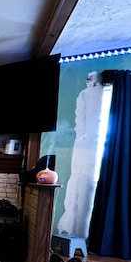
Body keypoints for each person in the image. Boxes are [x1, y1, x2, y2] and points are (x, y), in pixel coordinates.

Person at [56, 71, 104, 238]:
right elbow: (79, 120)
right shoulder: (83, 95)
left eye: (91, 78)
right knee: (75, 184)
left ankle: (81, 233)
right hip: (82, 144)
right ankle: (70, 228)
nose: (88, 81)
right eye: (87, 78)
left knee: (85, 189)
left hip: (91, 145)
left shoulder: (99, 94)